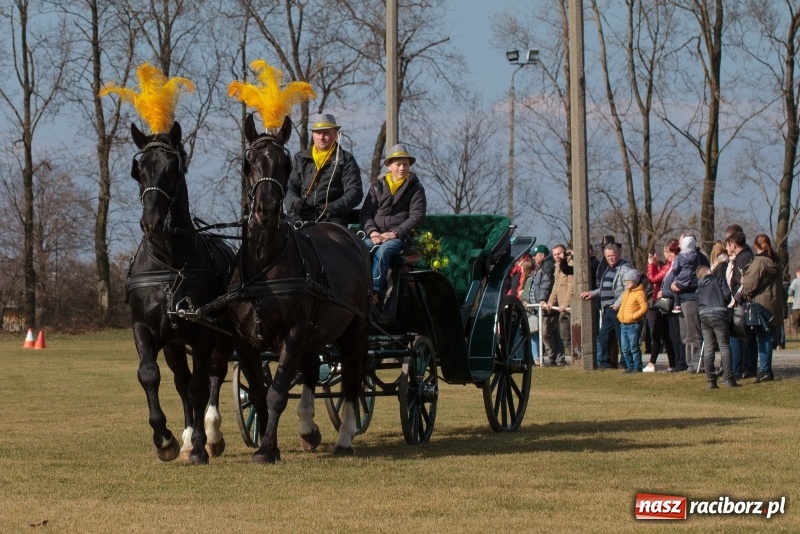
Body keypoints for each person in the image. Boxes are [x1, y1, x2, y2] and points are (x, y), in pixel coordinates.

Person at [360, 143, 426, 306]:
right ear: (389, 166)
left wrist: (394, 233)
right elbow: (366, 213)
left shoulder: (416, 188)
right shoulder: (376, 187)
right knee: (359, 249)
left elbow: (416, 216)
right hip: (376, 235)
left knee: (383, 251)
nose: (402, 168)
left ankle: (374, 293)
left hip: (400, 238)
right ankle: (356, 289)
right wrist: (373, 232)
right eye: (398, 164)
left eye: (405, 164)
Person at [286, 113, 363, 225]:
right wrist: (294, 202)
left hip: (333, 219)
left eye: (326, 133)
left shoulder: (346, 159)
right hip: (302, 217)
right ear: (312, 135)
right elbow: (289, 188)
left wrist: (334, 207)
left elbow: (355, 191)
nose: (321, 137)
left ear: (335, 134)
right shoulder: (300, 158)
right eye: (318, 133)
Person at [580, 243, 635, 369]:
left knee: (622, 337)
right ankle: (605, 363)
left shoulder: (624, 269)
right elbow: (603, 288)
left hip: (618, 309)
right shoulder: (608, 268)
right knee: (603, 336)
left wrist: (617, 304)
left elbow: (628, 289)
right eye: (608, 256)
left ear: (618, 254)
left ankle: (626, 363)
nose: (610, 258)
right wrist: (592, 293)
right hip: (606, 309)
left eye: (613, 255)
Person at [740, 233, 783, 383]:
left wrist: (743, 284)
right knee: (767, 336)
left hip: (760, 304)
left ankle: (764, 370)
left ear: (756, 246)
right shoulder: (776, 261)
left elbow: (749, 284)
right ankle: (767, 369)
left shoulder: (759, 262)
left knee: (762, 338)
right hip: (773, 303)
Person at [696, 264, 737, 389]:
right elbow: (727, 295)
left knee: (709, 348)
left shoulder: (699, 287)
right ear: (709, 271)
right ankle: (729, 379)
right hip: (719, 314)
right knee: (724, 346)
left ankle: (711, 381)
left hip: (704, 316)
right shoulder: (718, 280)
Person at [725, 227, 757, 378]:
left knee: (737, 336)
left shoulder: (743, 258)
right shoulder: (744, 256)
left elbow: (742, 282)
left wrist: (736, 298)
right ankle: (746, 368)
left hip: (741, 302)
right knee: (745, 338)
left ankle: (739, 370)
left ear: (734, 244)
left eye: (729, 243)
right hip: (739, 301)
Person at [643, 239, 679, 372]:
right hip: (659, 304)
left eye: (665, 251)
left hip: (664, 304)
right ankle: (656, 363)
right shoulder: (668, 265)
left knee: (662, 334)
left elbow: (653, 279)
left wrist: (651, 265)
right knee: (659, 334)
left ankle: (670, 363)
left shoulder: (670, 265)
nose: (664, 254)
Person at [670, 234, 703, 373]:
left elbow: (701, 278)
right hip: (682, 299)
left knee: (693, 333)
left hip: (691, 298)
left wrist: (683, 285)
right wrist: (673, 285)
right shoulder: (683, 257)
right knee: (685, 334)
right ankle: (689, 363)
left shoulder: (699, 258)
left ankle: (697, 364)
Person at [530, 244, 566, 366]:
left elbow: (546, 284)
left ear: (542, 255)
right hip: (547, 304)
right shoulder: (541, 266)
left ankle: (552, 358)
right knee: (554, 332)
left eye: (535, 255)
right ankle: (559, 359)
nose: (533, 257)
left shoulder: (547, 265)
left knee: (545, 332)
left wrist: (542, 299)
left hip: (549, 305)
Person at [617, 269, 648, 373]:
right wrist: (619, 315)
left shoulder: (639, 293)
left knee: (634, 347)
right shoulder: (626, 292)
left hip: (633, 325)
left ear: (635, 281)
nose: (627, 283)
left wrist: (634, 316)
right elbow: (622, 305)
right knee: (625, 348)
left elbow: (644, 308)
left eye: (629, 280)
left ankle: (637, 367)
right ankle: (630, 367)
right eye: (625, 281)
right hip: (623, 324)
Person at [547, 244, 574, 362]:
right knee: (565, 337)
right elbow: (556, 287)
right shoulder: (557, 267)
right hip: (562, 308)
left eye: (559, 253)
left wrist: (565, 304)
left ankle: (581, 360)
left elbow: (572, 287)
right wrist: (551, 301)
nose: (557, 256)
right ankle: (576, 360)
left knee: (576, 335)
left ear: (565, 252)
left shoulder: (571, 265)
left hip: (571, 307)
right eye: (555, 255)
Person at [521, 257, 541, 365]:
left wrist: (525, 301)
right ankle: (535, 357)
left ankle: (536, 358)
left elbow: (528, 294)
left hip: (530, 309)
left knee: (532, 333)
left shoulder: (529, 279)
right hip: (531, 308)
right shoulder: (532, 277)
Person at [787, 265, 800, 336]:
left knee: (795, 323)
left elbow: (790, 292)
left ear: (797, 273)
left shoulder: (795, 281)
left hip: (797, 306)